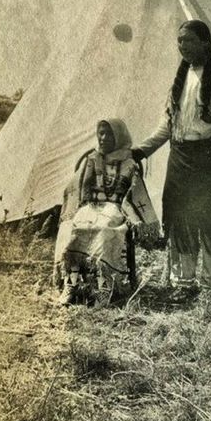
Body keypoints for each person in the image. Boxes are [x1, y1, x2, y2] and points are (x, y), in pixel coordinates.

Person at [132, 20, 211, 296]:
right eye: (180, 41)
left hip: (209, 157)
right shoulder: (180, 77)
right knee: (180, 216)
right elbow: (168, 125)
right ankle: (182, 281)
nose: (183, 46)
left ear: (206, 43)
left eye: (189, 40)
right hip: (180, 156)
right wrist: (142, 150)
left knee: (210, 218)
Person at [54, 118, 158, 306]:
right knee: (74, 227)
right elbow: (76, 188)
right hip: (91, 206)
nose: (102, 138)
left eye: (107, 134)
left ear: (118, 137)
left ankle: (103, 288)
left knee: (105, 228)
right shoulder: (92, 159)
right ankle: (72, 284)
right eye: (100, 133)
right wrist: (78, 208)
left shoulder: (129, 163)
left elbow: (134, 194)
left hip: (115, 208)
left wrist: (133, 217)